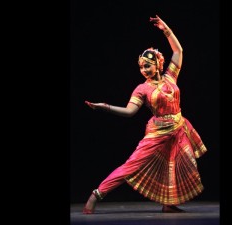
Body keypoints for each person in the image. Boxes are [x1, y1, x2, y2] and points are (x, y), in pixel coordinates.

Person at [83, 15, 207, 214]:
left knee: (175, 165)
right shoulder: (142, 89)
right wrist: (104, 107)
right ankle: (96, 194)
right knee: (131, 166)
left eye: (147, 66)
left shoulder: (170, 77)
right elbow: (129, 111)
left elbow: (178, 50)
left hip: (178, 128)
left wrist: (165, 29)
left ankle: (168, 204)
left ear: (158, 64)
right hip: (158, 132)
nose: (144, 70)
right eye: (141, 67)